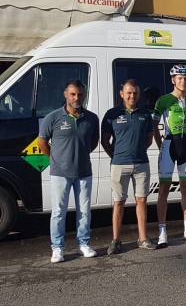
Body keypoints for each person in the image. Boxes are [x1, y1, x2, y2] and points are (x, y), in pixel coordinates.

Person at [38, 79, 100, 262]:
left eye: (80, 94)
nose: (77, 98)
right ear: (65, 95)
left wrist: (79, 155)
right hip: (60, 173)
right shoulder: (53, 118)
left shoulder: (91, 118)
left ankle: (83, 244)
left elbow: (94, 142)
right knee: (58, 212)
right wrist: (56, 160)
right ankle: (57, 247)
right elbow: (42, 143)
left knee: (85, 211)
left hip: (84, 172)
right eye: (73, 94)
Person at [101, 79, 156, 253]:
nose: (132, 96)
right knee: (119, 202)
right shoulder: (112, 114)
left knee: (142, 201)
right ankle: (116, 240)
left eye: (136, 93)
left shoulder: (146, 114)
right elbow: (104, 141)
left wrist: (137, 152)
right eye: (129, 92)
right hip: (119, 165)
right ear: (122, 94)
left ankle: (143, 238)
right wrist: (117, 155)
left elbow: (148, 140)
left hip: (141, 163)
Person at [153, 64, 186, 246]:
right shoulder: (164, 100)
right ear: (173, 80)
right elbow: (154, 124)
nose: (183, 81)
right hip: (168, 145)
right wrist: (161, 145)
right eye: (179, 78)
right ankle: (162, 231)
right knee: (164, 191)